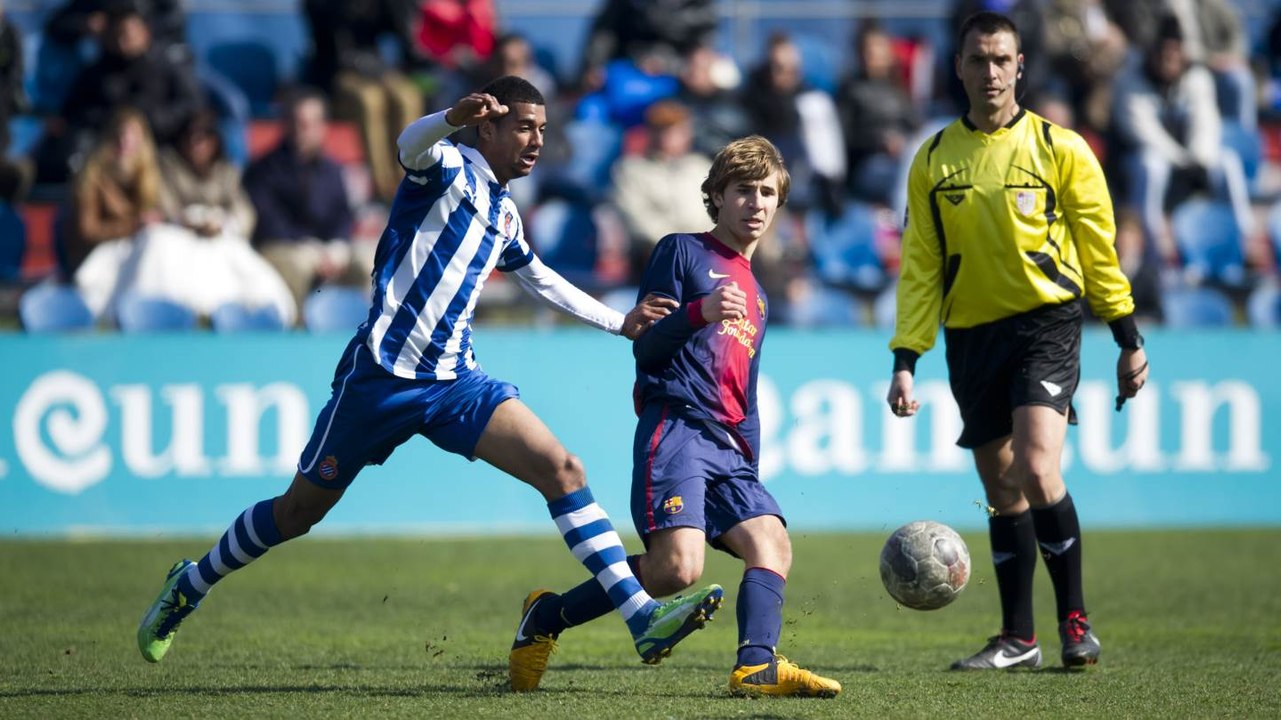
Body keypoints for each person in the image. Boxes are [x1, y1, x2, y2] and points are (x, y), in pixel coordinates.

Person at [136, 75, 724, 668]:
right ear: (486, 127)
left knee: (563, 468)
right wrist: (449, 115)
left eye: (543, 129)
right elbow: (407, 145)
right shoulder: (444, 167)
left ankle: (641, 617)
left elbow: (539, 278)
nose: (537, 141)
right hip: (380, 381)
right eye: (524, 127)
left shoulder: (505, 214)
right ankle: (192, 583)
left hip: (454, 383)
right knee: (296, 514)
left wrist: (618, 321)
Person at [508, 135, 842, 698]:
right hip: (679, 428)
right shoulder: (680, 251)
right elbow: (645, 345)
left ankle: (756, 666)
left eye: (767, 193)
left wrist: (750, 460)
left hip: (729, 446)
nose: (755, 203)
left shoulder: (758, 294)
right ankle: (546, 617)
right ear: (715, 195)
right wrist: (697, 312)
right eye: (742, 191)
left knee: (772, 543)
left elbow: (745, 387)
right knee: (674, 571)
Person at [886, 12, 1150, 671]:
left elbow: (1097, 249)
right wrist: (904, 359)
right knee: (1001, 487)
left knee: (1036, 465)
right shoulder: (934, 158)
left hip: (1046, 324)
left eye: (1001, 59)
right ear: (958, 67)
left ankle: (1075, 624)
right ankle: (1017, 639)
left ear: (1020, 65)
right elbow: (920, 265)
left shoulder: (1061, 149)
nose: (990, 71)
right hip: (970, 336)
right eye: (978, 59)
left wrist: (1126, 336)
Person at [243, 88, 366, 321]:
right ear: (285, 123)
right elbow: (270, 223)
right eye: (296, 122)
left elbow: (344, 215)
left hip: (325, 250)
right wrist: (311, 249)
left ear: (322, 127)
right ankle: (298, 328)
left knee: (367, 260)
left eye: (310, 123)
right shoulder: (263, 169)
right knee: (298, 265)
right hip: (284, 247)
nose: (302, 130)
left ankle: (364, 330)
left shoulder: (334, 169)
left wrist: (336, 248)